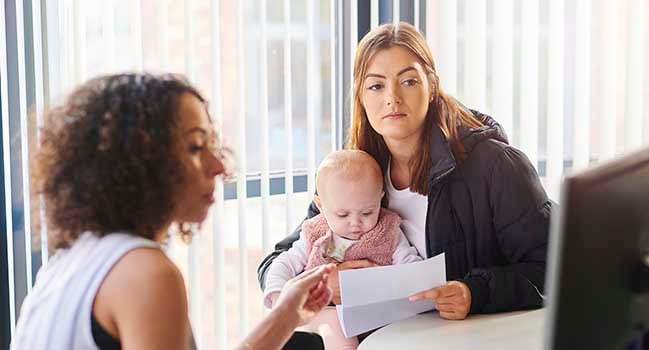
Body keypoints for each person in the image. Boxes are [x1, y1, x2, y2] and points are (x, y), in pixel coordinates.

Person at [11, 73, 334, 350]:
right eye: (195, 147)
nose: (219, 165)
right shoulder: (146, 273)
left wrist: (286, 316)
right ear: (138, 165)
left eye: (211, 145)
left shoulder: (70, 262)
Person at [259, 21, 551, 324]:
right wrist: (325, 286)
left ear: (432, 86)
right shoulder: (356, 171)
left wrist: (474, 292)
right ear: (361, 96)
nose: (392, 98)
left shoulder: (496, 165)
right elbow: (278, 261)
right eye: (376, 86)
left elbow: (554, 268)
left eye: (408, 81)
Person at [263, 150, 422, 349]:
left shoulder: (388, 230)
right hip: (322, 310)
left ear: (380, 198)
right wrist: (280, 296)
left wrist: (389, 281)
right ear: (320, 206)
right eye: (342, 214)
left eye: (367, 212)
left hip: (375, 314)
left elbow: (412, 267)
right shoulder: (314, 232)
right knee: (335, 324)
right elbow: (284, 262)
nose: (355, 223)